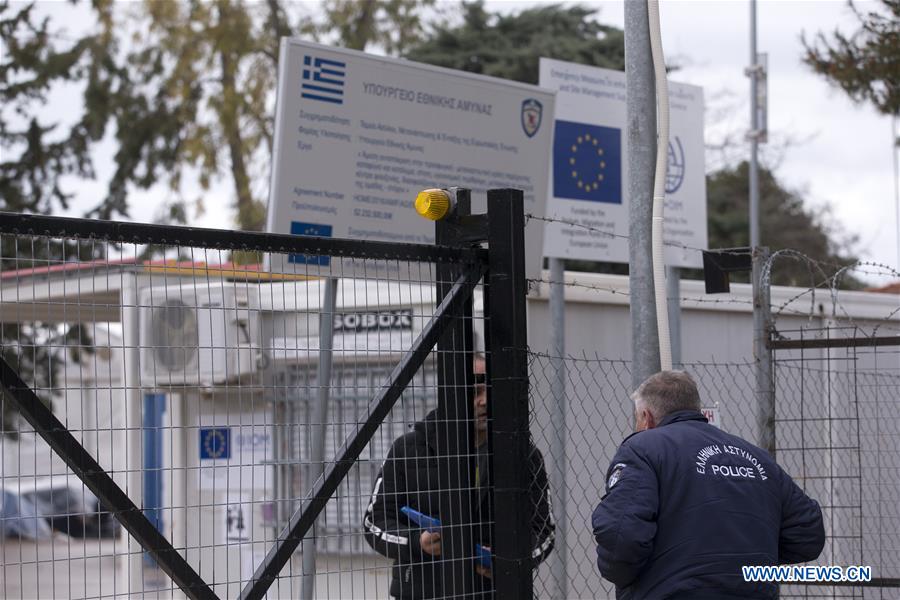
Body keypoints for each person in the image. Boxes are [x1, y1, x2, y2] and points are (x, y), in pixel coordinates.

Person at [592, 370, 825, 599]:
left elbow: (621, 535)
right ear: (696, 408)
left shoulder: (642, 448)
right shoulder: (756, 457)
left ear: (646, 417)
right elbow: (808, 533)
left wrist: (628, 576)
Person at [363, 355, 555, 599]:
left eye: (490, 390)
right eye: (475, 392)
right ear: (451, 395)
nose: (484, 401)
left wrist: (508, 561)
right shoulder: (407, 450)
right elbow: (374, 524)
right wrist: (416, 542)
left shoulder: (522, 455)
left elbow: (543, 530)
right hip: (424, 592)